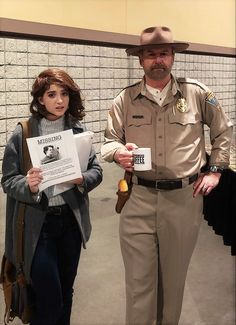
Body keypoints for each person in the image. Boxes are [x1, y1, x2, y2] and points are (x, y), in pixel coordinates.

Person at [101, 26, 233, 325]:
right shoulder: (125, 99)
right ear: (141, 60)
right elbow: (109, 141)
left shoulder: (197, 94)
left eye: (164, 53)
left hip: (184, 201)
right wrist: (118, 152)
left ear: (173, 57)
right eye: (151, 54)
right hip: (138, 199)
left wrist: (215, 169)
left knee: (173, 282)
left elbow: (223, 131)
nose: (157, 60)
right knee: (139, 284)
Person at [1, 68, 103, 325]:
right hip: (38, 226)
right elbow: (8, 180)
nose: (60, 101)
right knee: (49, 298)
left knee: (66, 292)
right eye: (52, 94)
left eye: (64, 93)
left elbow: (97, 171)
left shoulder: (79, 131)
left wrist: (82, 179)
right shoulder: (23, 134)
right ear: (39, 100)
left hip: (70, 222)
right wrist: (30, 184)